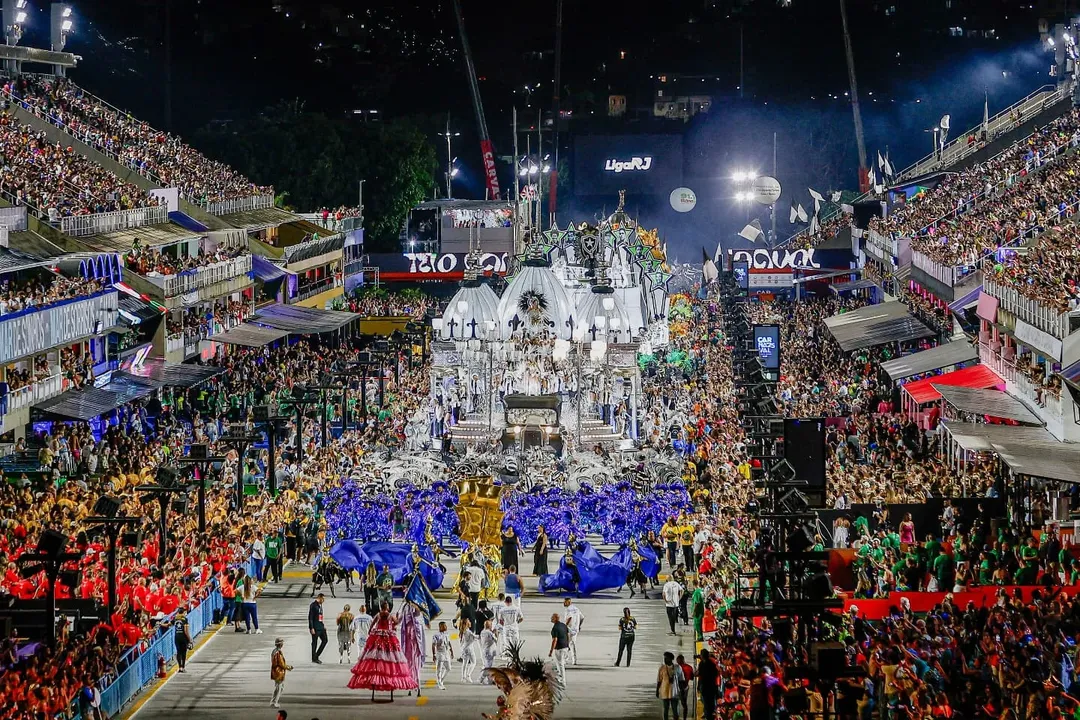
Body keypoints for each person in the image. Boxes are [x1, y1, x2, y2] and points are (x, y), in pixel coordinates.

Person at [347, 601, 417, 701]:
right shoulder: (390, 615)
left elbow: (372, 625)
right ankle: (390, 686)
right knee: (391, 659)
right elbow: (396, 622)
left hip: (378, 637)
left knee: (376, 659)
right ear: (387, 607)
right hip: (389, 638)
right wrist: (399, 617)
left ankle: (375, 685)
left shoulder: (378, 615)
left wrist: (370, 633)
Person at [657, 651, 683, 720]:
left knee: (675, 711)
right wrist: (657, 690)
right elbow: (659, 680)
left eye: (666, 658)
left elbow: (681, 680)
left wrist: (682, 691)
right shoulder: (662, 668)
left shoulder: (678, 667)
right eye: (664, 658)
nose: (665, 660)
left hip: (675, 693)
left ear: (671, 659)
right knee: (665, 710)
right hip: (665, 692)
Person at [270, 637, 293, 709]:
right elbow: (281, 664)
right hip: (278, 672)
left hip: (275, 671)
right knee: (279, 688)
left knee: (279, 687)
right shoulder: (278, 653)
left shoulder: (274, 651)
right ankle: (274, 702)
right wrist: (288, 667)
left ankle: (273, 701)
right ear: (280, 644)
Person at [697, 649, 719, 720]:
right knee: (710, 703)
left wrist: (698, 685)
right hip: (711, 686)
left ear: (702, 656)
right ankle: (710, 715)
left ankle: (708, 716)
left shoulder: (701, 664)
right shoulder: (712, 664)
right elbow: (716, 673)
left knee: (706, 703)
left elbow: (700, 675)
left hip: (705, 686)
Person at [548, 613, 569, 686]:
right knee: (559, 664)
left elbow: (555, 640)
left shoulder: (555, 628)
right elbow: (567, 635)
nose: (551, 618)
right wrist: (568, 645)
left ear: (555, 619)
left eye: (552, 617)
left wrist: (551, 651)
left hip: (559, 648)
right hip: (565, 647)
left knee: (560, 664)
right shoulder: (564, 625)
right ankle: (560, 678)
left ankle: (563, 681)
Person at [561, 597, 584, 666]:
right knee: (572, 643)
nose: (563, 603)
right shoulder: (576, 609)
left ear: (569, 602)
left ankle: (565, 659)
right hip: (575, 629)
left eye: (565, 602)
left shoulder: (568, 610)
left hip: (569, 629)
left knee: (566, 644)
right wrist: (579, 625)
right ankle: (574, 660)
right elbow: (582, 617)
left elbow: (569, 618)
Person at [431, 620, 453, 690]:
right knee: (439, 669)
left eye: (446, 626)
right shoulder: (436, 635)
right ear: (440, 627)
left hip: (446, 652)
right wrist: (434, 655)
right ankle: (439, 683)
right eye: (444, 626)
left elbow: (449, 643)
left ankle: (441, 680)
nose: (446, 627)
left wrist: (451, 651)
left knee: (448, 668)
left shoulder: (447, 634)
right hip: (440, 653)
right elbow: (433, 645)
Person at [309, 593, 328, 663]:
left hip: (320, 626)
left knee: (325, 640)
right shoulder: (313, 605)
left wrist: (323, 625)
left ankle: (316, 655)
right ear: (319, 598)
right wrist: (311, 628)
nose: (323, 600)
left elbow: (320, 617)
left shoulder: (320, 606)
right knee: (314, 642)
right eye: (323, 599)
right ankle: (314, 658)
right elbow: (310, 617)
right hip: (315, 627)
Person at [460, 617, 479, 683]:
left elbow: (462, 641)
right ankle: (468, 675)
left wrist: (461, 649)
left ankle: (463, 677)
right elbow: (471, 640)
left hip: (464, 648)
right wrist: (476, 638)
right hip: (469, 648)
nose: (470, 622)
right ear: (467, 624)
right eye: (469, 622)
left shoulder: (463, 631)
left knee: (464, 663)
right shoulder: (468, 632)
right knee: (473, 662)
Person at [676, 654, 694, 720]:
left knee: (676, 703)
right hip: (685, 687)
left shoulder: (676, 667)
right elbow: (692, 678)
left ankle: (677, 717)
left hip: (677, 688)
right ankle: (684, 718)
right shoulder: (689, 667)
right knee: (684, 704)